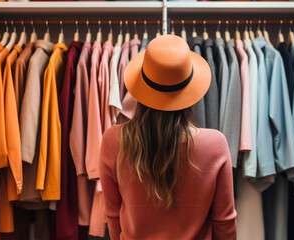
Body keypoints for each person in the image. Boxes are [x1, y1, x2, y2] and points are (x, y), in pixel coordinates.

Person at [99, 35, 237, 240]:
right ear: (189, 90)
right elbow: (224, 223)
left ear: (141, 89)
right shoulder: (215, 145)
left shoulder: (113, 141)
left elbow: (112, 216)